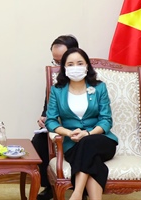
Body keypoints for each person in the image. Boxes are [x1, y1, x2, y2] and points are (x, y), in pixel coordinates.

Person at [45, 48, 118, 200]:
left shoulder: (99, 88)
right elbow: (50, 120)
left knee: (87, 142)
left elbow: (106, 119)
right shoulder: (57, 91)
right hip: (72, 144)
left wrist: (88, 133)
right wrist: (68, 133)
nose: (75, 67)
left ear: (87, 66)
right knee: (94, 162)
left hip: (101, 141)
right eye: (70, 64)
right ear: (64, 68)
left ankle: (77, 194)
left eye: (80, 63)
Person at [31, 34, 79, 200]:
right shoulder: (54, 78)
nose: (58, 66)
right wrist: (44, 118)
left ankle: (82, 190)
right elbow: (48, 108)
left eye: (61, 61)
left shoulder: (88, 76)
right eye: (55, 61)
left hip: (82, 127)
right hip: (59, 127)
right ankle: (50, 186)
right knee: (38, 142)